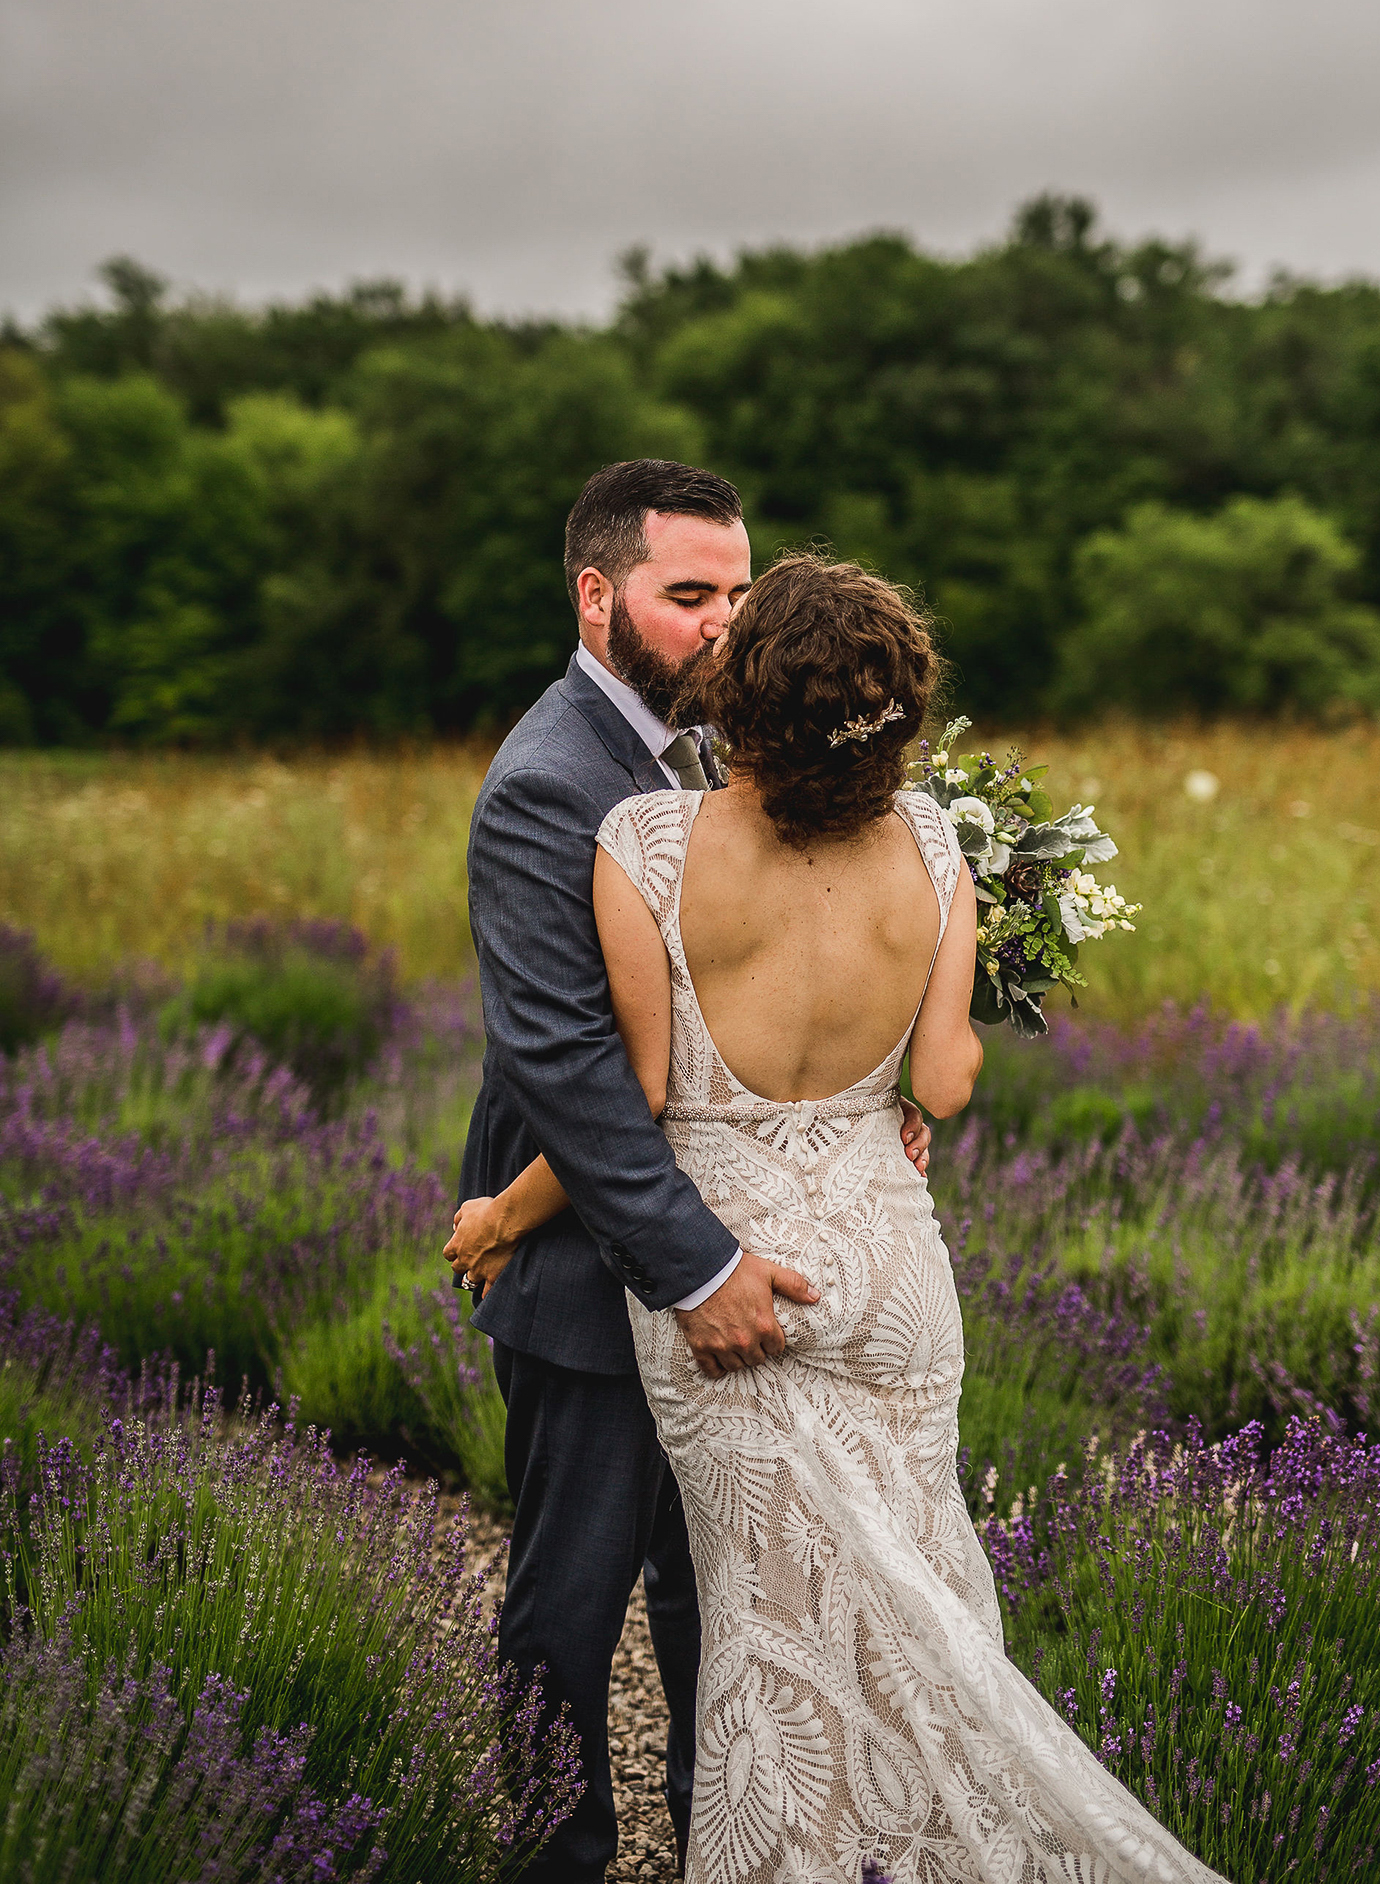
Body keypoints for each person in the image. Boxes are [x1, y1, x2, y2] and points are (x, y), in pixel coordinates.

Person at [479, 554, 1223, 1884]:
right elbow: (940, 1081)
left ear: (746, 689)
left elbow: (634, 1097)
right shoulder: (939, 845)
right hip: (885, 1269)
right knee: (920, 1607)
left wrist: (500, 1207)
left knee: (772, 1632)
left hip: (734, 1264)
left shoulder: (645, 843)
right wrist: (897, 1086)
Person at [443, 468, 932, 1884]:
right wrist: (699, 1267)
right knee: (568, 1597)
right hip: (606, 1262)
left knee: (722, 1577)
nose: (726, 624)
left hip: (745, 1239)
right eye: (689, 596)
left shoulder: (726, 752)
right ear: (598, 596)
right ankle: (559, 1860)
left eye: (739, 592)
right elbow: (572, 1072)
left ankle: (735, 1837)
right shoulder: (549, 783)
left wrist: (881, 1082)